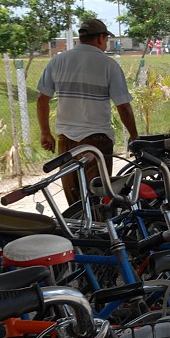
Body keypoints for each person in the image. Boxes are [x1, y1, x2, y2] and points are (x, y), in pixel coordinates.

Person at [37, 18, 139, 205]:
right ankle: (98, 233)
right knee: (97, 196)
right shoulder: (108, 65)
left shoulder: (58, 60)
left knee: (74, 198)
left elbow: (43, 99)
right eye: (106, 39)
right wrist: (134, 135)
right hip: (96, 142)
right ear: (100, 38)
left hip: (66, 141)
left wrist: (45, 132)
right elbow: (123, 107)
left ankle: (76, 232)